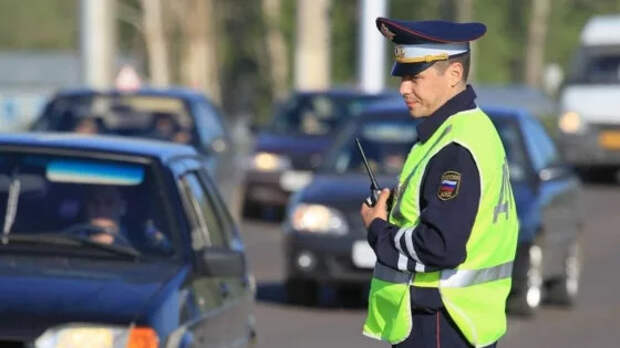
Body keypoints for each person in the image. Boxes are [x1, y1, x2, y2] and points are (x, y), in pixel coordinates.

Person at [360, 18, 519, 348]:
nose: (404, 88)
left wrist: (379, 230)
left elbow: (440, 247)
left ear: (455, 75)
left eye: (415, 77)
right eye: (402, 77)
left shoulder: (455, 148)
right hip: (461, 322)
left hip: (441, 322)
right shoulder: (472, 129)